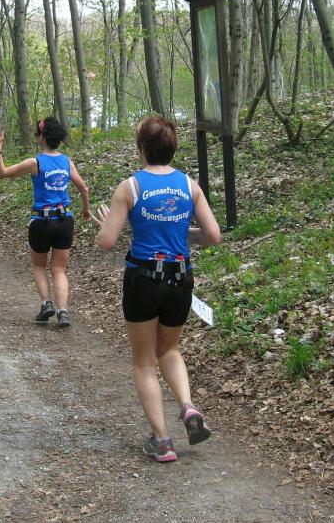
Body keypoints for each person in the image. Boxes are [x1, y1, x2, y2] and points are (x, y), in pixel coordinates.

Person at [91, 115, 222, 463]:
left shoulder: (130, 187)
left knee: (144, 360)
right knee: (170, 350)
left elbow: (106, 242)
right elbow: (213, 235)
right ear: (172, 148)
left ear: (141, 148)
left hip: (144, 278)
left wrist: (105, 225)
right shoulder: (190, 186)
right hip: (180, 278)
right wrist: (181, 232)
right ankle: (188, 407)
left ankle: (163, 441)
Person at [0, 118, 90, 327]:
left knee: (39, 266)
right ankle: (63, 312)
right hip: (65, 220)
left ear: (41, 138)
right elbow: (83, 188)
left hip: (41, 222)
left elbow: (2, 173)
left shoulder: (35, 162)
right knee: (59, 270)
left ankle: (46, 304)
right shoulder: (67, 162)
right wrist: (86, 210)